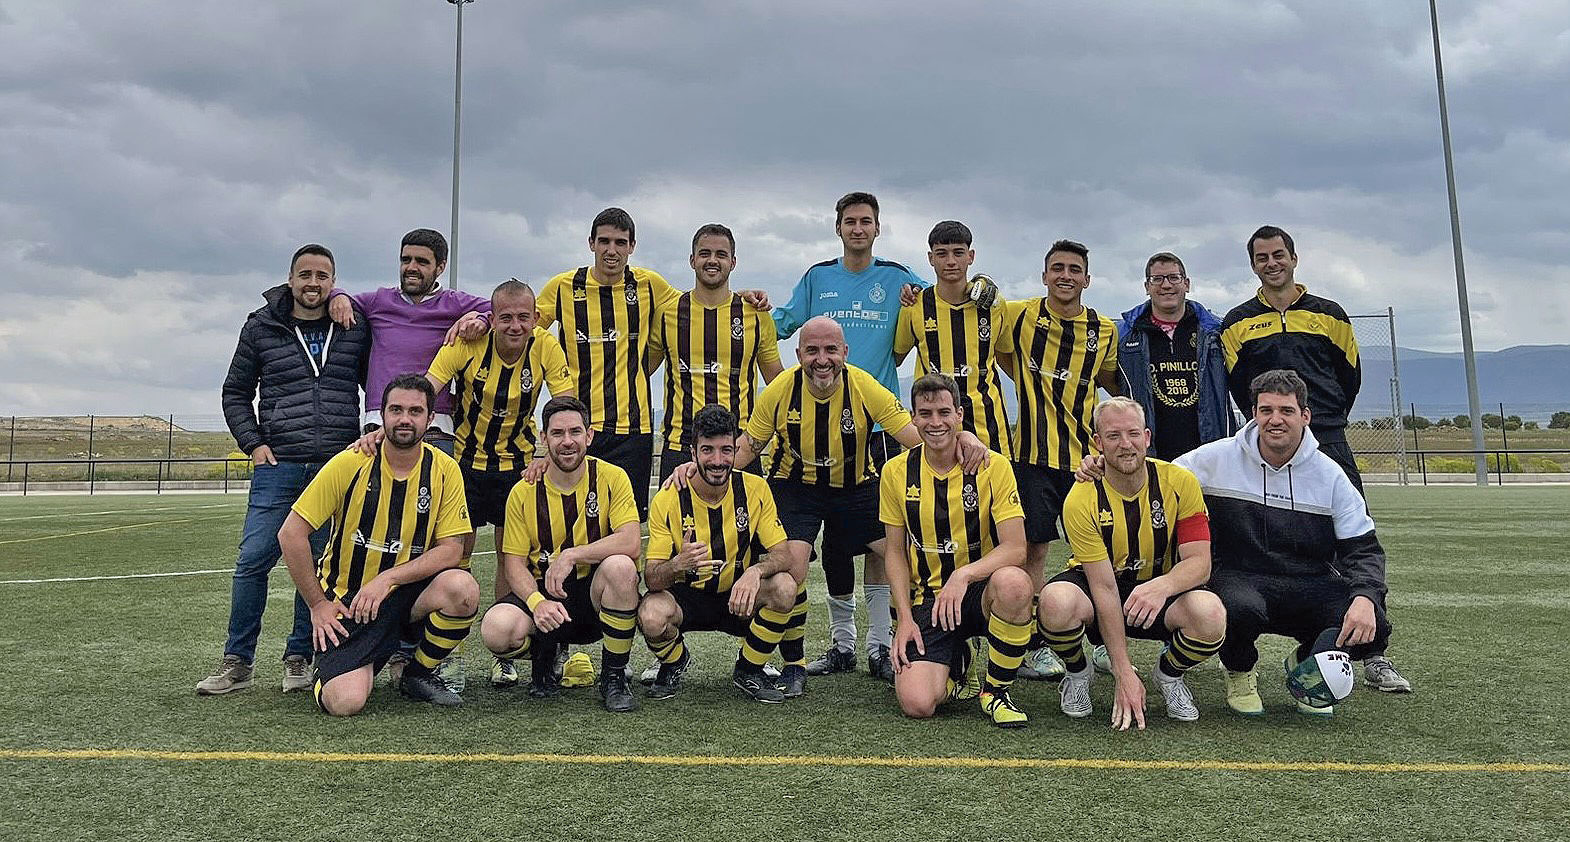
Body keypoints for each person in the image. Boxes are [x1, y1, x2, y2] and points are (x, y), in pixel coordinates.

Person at [727, 317, 988, 689]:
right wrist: (702, 470)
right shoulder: (779, 391)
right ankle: (802, 661)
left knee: (896, 552)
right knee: (792, 568)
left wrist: (961, 437)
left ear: (844, 353)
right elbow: (748, 447)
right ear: (799, 354)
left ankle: (884, 645)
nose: (822, 359)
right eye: (813, 351)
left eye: (831, 350)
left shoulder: (865, 386)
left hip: (856, 486)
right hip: (796, 486)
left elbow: (915, 434)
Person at [1219, 225, 1411, 693]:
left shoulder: (1330, 315)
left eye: (1278, 254)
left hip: (1325, 435)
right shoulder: (1238, 322)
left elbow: (1349, 378)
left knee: (1350, 540)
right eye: (1261, 257)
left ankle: (1373, 654)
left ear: (1294, 258)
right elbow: (1235, 383)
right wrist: (1271, 425)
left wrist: (1318, 421)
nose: (1271, 263)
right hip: (1268, 440)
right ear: (1253, 265)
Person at [770, 192, 933, 679]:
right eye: (850, 222)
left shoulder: (900, 278)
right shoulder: (818, 277)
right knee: (838, 546)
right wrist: (749, 310)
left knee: (882, 540)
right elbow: (783, 321)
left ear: (877, 228)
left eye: (866, 222)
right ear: (838, 228)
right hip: (815, 426)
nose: (858, 229)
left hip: (879, 425)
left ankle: (880, 646)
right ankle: (842, 645)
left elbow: (944, 299)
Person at [200, 244, 371, 696]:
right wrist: (253, 444)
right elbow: (234, 392)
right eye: (305, 275)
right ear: (290, 278)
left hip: (336, 465)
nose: (313, 283)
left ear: (334, 281)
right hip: (279, 463)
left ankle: (299, 657)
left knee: (315, 564)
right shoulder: (261, 325)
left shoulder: (352, 324)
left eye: (323, 276)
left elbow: (374, 382)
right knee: (253, 560)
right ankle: (237, 662)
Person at [1174, 370, 1392, 716]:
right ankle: (1240, 670)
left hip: (1307, 582)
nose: (1275, 420)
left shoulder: (1331, 475)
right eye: (1266, 410)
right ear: (1254, 414)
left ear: (1305, 416)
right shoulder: (1212, 459)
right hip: (1239, 577)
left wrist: (1365, 597)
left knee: (1372, 620)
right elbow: (1154, 477)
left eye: (1286, 411)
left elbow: (1363, 550)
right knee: (1237, 607)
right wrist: (1105, 466)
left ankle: (1308, 664)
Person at [278, 374, 480, 715]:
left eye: (415, 411)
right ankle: (352, 662)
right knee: (345, 703)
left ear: (430, 419)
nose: (404, 419)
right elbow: (290, 533)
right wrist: (317, 605)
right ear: (381, 416)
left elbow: (451, 549)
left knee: (463, 588)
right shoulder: (351, 462)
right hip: (349, 602)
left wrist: (387, 579)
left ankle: (417, 673)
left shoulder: (444, 469)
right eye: (396, 409)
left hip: (405, 595)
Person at [1038, 397, 1226, 729]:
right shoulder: (1081, 498)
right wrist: (1123, 671)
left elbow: (1200, 564)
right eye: (1113, 436)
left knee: (1210, 614)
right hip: (1100, 590)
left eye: (1133, 434)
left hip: (1158, 590)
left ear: (1147, 437)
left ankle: (1168, 675)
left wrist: (1161, 586)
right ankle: (1078, 671)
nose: (1126, 445)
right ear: (1097, 443)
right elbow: (1104, 586)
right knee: (1055, 603)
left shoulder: (1180, 483)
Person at [426, 279, 573, 689]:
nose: (514, 325)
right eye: (505, 317)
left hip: (521, 467)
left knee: (515, 558)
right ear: (491, 319)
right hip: (465, 465)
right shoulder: (467, 342)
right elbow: (428, 388)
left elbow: (564, 404)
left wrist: (547, 456)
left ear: (536, 318)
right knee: (457, 556)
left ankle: (503, 657)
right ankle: (447, 655)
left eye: (523, 317)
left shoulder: (545, 345)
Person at [881, 374, 1035, 727]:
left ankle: (995, 691)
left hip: (979, 591)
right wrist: (904, 618)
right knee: (917, 704)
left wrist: (963, 575)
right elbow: (894, 552)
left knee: (1014, 583)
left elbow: (1016, 548)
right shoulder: (895, 472)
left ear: (960, 415)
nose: (935, 422)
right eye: (925, 414)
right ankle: (957, 666)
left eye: (944, 412)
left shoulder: (991, 465)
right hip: (929, 598)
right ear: (913, 418)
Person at [477, 396, 644, 712]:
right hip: (545, 599)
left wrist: (571, 556)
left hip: (594, 599)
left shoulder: (612, 477)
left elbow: (631, 541)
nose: (567, 442)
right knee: (496, 629)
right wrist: (537, 604)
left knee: (622, 567)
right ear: (544, 439)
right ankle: (546, 652)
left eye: (575, 432)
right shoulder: (524, 491)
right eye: (557, 433)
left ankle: (614, 677)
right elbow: (513, 564)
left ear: (589, 436)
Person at [1004, 239, 1120, 679]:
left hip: (1087, 462)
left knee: (1099, 551)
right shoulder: (1020, 315)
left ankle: (1104, 639)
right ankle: (1033, 644)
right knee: (1033, 549)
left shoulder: (1103, 329)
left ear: (1087, 279)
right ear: (1044, 274)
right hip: (1032, 457)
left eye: (1074, 269)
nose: (1065, 275)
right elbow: (999, 353)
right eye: (1057, 268)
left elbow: (1110, 380)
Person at [639, 405, 804, 704]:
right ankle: (674, 661)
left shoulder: (754, 489)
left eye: (726, 450)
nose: (717, 461)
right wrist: (678, 564)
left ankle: (749, 669)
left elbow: (784, 555)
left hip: (737, 596)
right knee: (650, 616)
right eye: (708, 450)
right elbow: (651, 578)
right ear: (692, 453)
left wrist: (755, 572)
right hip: (686, 597)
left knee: (785, 586)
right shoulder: (669, 498)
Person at [328, 228, 491, 451]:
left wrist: (481, 319)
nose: (411, 267)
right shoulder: (378, 300)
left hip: (435, 427)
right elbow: (338, 300)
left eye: (422, 261)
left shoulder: (455, 302)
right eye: (406, 260)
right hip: (378, 423)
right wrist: (338, 295)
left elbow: (502, 309)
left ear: (441, 267)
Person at [649, 223, 784, 483]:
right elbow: (640, 373)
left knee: (742, 524)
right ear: (692, 260)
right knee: (678, 525)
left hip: (739, 447)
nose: (713, 261)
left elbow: (777, 384)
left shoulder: (756, 316)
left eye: (721, 255)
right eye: (705, 253)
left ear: (733, 262)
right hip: (680, 445)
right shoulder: (668, 314)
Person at [894, 220, 1015, 452]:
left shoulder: (994, 305)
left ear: (970, 256)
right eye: (942, 254)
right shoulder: (914, 305)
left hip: (988, 427)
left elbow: (1005, 353)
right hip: (935, 427)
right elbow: (897, 356)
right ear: (931, 258)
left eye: (958, 253)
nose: (950, 261)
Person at [1115, 251, 1235, 461]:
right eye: (1157, 279)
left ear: (1186, 284)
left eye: (1173, 278)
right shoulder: (1123, 335)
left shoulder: (1216, 332)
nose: (1166, 285)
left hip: (1209, 453)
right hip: (1149, 455)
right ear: (1147, 287)